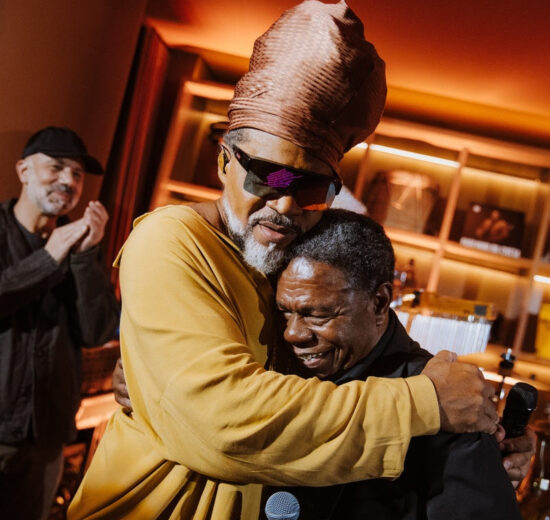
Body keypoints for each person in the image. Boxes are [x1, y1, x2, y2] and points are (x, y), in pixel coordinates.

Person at [68, 2, 499, 519]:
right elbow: (226, 425)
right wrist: (426, 405)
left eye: (311, 187)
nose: (286, 205)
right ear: (223, 160)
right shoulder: (171, 240)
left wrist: (478, 431)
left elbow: (365, 339)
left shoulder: (284, 252)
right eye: (268, 177)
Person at [265, 209, 524, 520]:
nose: (293, 333)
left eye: (318, 314)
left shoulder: (452, 410)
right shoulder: (269, 363)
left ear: (380, 302)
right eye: (284, 311)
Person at [0, 126, 119, 520]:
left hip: (46, 440)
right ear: (23, 170)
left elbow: (96, 332)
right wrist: (49, 257)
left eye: (77, 173)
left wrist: (84, 257)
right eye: (56, 167)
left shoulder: (80, 246)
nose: (69, 181)